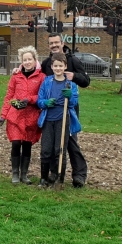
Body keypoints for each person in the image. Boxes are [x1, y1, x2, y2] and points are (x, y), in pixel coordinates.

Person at [40, 33, 90, 187]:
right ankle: (54, 174)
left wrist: (74, 76)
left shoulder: (72, 60)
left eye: (56, 42)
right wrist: (20, 68)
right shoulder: (46, 63)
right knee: (53, 146)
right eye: (51, 43)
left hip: (69, 111)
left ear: (62, 43)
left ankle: (79, 175)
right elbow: (37, 75)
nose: (54, 45)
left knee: (71, 143)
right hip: (51, 112)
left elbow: (86, 81)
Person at [0, 45, 44, 184]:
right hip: (15, 116)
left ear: (35, 60)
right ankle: (15, 174)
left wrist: (30, 99)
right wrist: (3, 115)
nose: (28, 62)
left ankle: (24, 174)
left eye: (30, 59)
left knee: (27, 145)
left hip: (31, 116)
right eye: (25, 60)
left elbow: (41, 96)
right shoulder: (16, 77)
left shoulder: (41, 77)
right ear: (21, 61)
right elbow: (9, 96)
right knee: (16, 143)